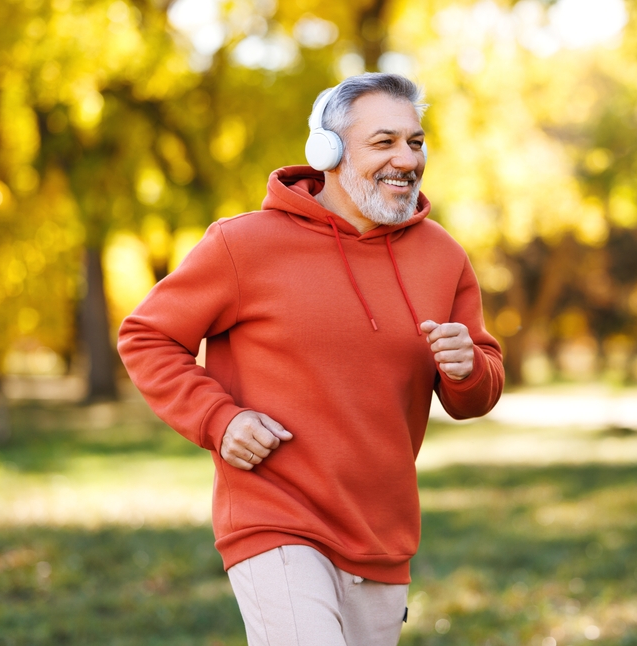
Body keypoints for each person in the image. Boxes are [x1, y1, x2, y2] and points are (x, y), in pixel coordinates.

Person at [117, 73, 504, 646]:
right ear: (328, 151)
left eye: (416, 142)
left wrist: (467, 367)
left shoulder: (443, 256)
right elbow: (146, 336)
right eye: (385, 141)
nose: (407, 158)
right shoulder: (243, 245)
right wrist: (219, 420)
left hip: (382, 532)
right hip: (275, 519)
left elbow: (480, 389)